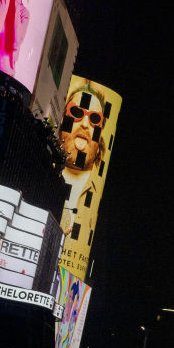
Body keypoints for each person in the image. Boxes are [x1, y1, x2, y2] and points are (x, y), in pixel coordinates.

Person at [59, 82, 108, 239]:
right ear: (62, 119)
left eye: (94, 118)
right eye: (77, 112)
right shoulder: (42, 170)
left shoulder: (100, 192)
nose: (85, 124)